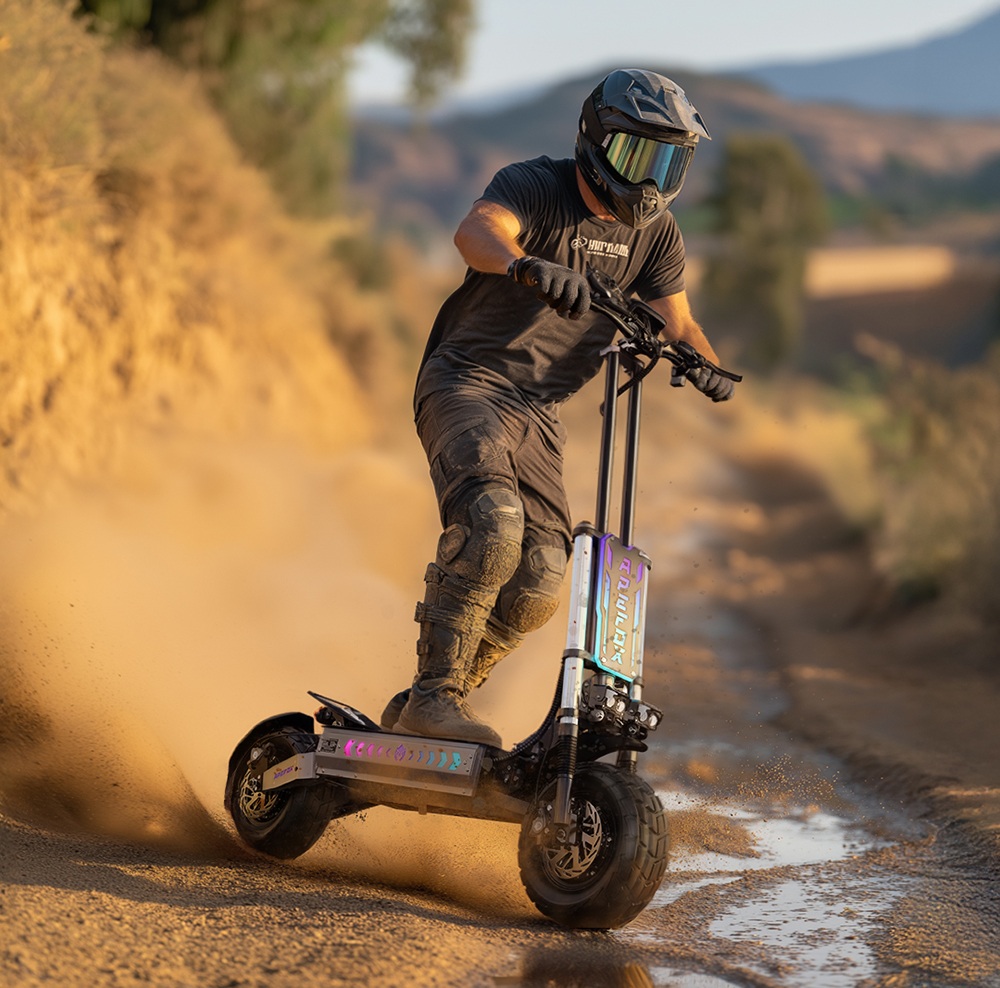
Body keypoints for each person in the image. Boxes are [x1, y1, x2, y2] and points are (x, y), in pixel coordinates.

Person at [380, 68, 735, 747]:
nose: (652, 181)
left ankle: (432, 699)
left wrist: (706, 364)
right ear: (597, 143)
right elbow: (476, 230)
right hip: (467, 382)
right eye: (639, 156)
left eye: (669, 161)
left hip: (538, 413)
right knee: (493, 523)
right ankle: (434, 698)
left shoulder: (656, 236)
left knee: (542, 578)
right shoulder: (535, 186)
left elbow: (679, 324)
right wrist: (521, 264)